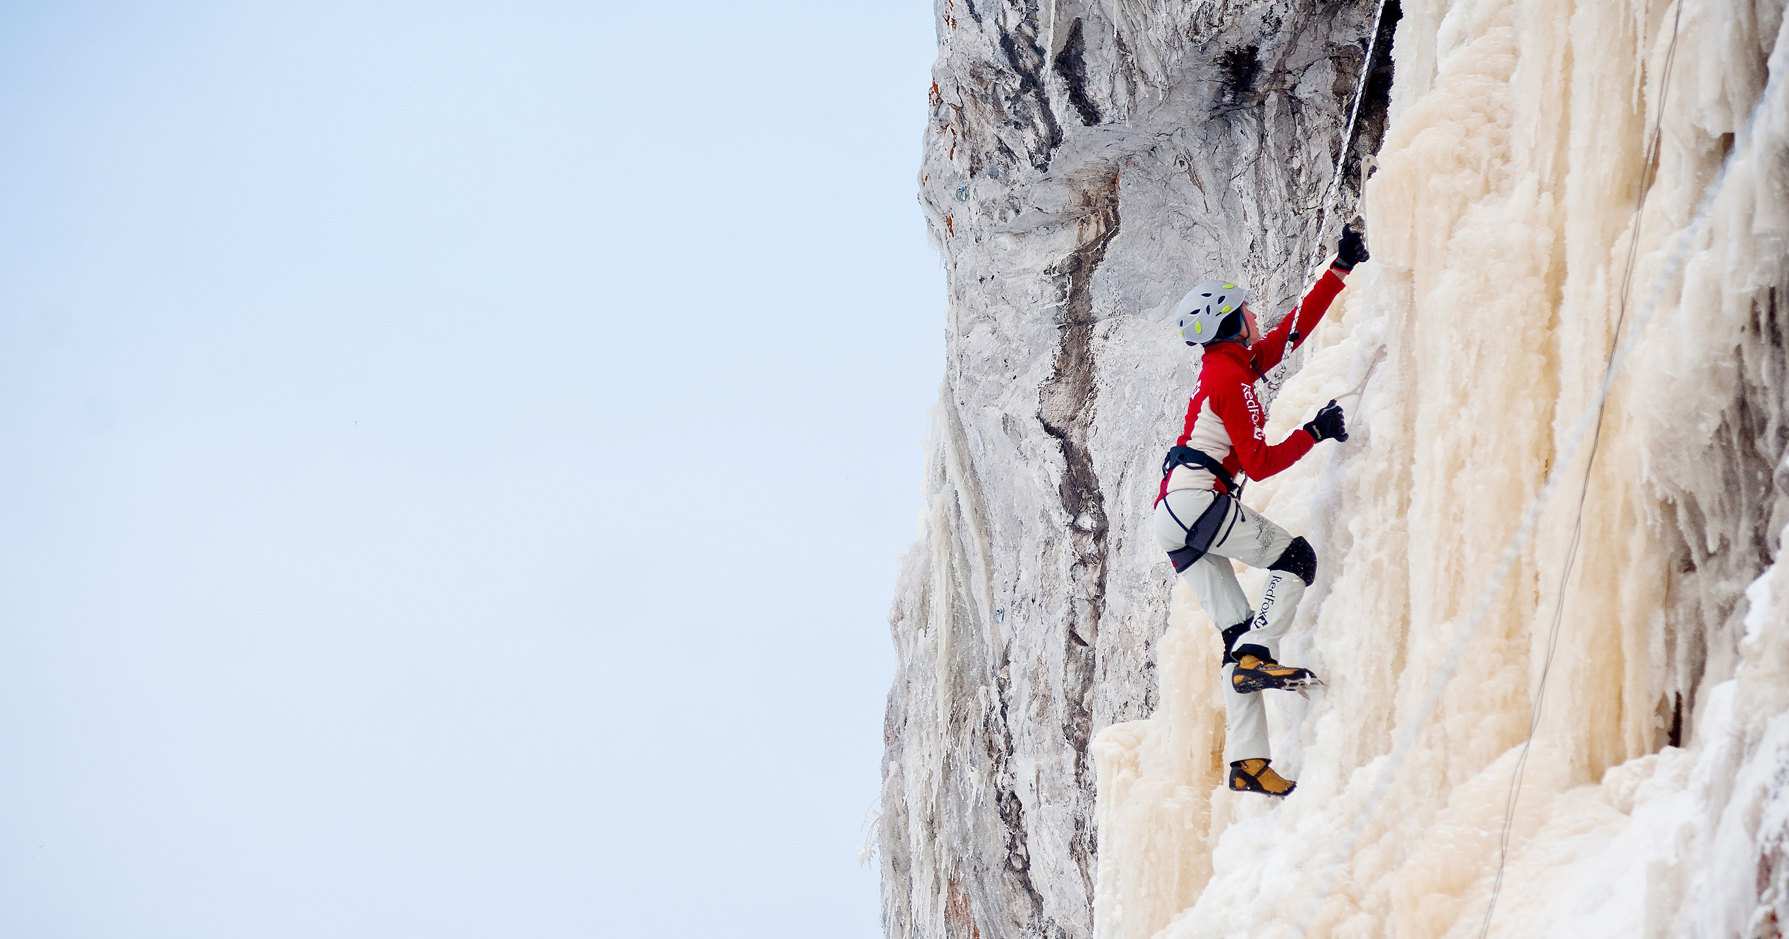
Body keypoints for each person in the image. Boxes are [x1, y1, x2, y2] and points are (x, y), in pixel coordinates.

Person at [1150, 226, 1369, 797]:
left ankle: (1247, 762)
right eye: (1243, 309)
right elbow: (1261, 462)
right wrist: (1315, 432)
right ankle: (1256, 654)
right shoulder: (1230, 380)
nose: (1253, 313)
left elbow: (1287, 337)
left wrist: (1339, 270)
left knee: (1234, 633)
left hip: (1173, 516)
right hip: (1198, 501)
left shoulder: (1229, 366)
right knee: (1295, 559)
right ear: (1228, 321)